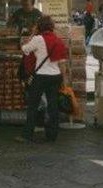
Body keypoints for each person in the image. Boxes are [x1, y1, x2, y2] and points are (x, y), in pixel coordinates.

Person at [20, 15, 68, 143]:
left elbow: (24, 49)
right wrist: (64, 81)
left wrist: (32, 34)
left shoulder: (37, 39)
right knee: (53, 106)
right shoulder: (59, 41)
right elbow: (62, 64)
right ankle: (52, 134)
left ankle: (27, 134)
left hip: (40, 76)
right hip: (55, 76)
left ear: (39, 26)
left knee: (33, 105)